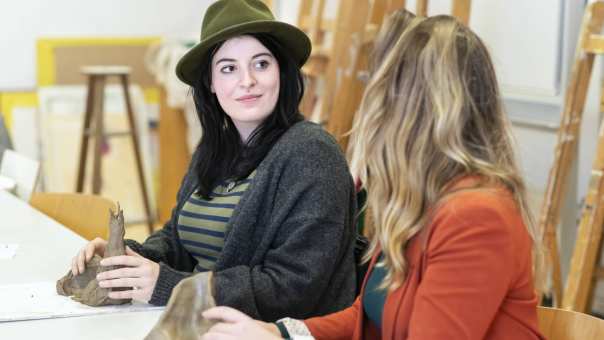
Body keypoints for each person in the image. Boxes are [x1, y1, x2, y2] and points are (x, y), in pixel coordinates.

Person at [200, 10, 546, 340]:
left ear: (412, 111)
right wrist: (281, 333)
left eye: (377, 92)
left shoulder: (475, 217)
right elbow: (369, 316)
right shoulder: (419, 200)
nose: (369, 109)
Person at [70, 0, 357, 322]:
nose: (247, 80)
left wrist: (170, 286)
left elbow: (295, 287)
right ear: (211, 83)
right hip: (202, 321)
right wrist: (127, 256)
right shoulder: (216, 148)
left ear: (282, 71)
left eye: (261, 64)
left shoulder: (312, 154)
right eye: (228, 68)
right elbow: (178, 242)